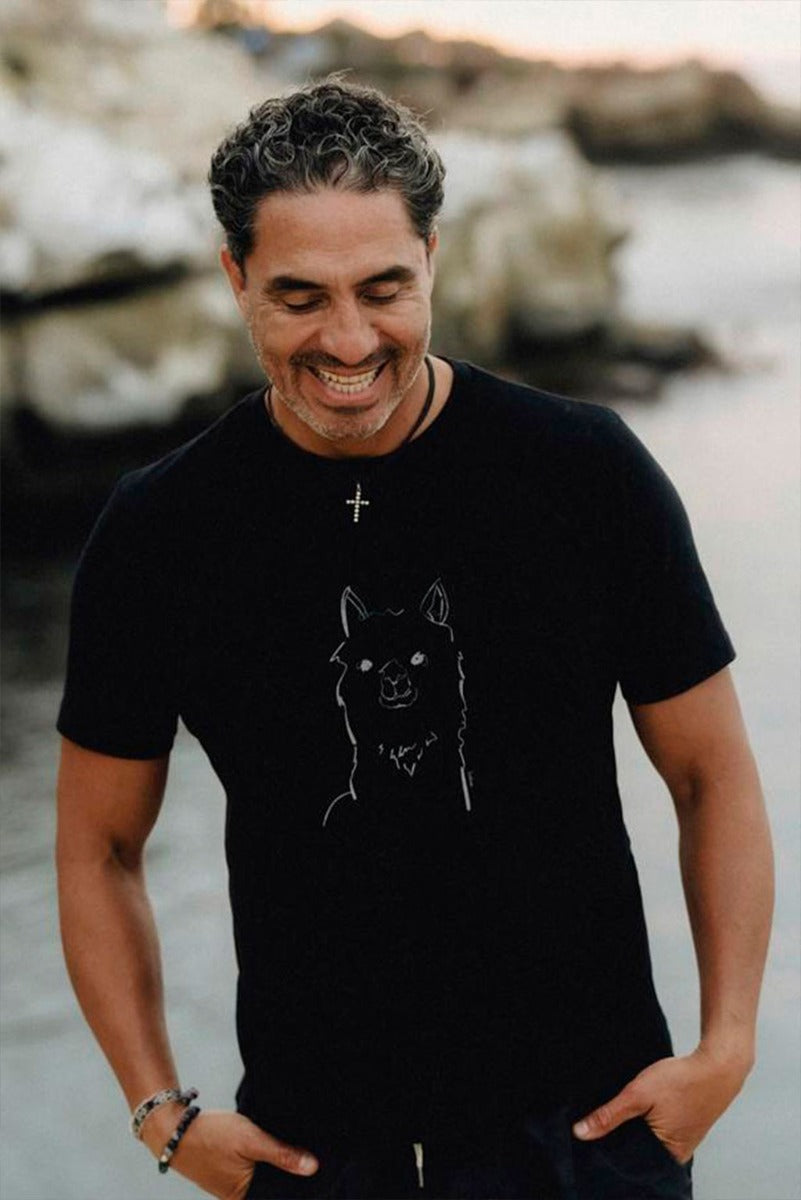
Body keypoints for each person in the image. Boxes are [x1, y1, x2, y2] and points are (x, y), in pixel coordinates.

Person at [56, 78, 773, 1200]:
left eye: (384, 288)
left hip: (590, 1143)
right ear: (235, 276)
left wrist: (725, 1050)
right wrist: (161, 1112)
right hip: (315, 1154)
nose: (349, 340)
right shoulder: (162, 530)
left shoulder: (584, 473)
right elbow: (98, 847)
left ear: (432, 258)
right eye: (299, 297)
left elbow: (710, 775)